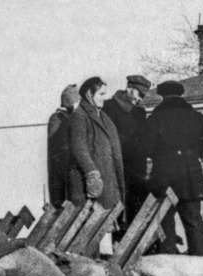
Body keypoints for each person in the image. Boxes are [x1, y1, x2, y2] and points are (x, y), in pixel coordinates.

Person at [141, 80, 203, 257]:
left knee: (166, 221)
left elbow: (145, 148)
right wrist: (196, 153)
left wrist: (161, 154)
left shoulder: (156, 118)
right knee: (194, 220)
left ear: (162, 96)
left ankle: (169, 261)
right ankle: (202, 262)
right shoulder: (195, 116)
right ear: (181, 95)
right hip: (190, 175)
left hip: (164, 175)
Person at [68, 77, 124, 213]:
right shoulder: (79, 116)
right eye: (101, 94)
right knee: (92, 227)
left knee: (104, 225)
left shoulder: (103, 116)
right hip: (92, 186)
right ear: (89, 94)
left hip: (108, 181)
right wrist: (92, 174)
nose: (104, 98)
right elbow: (79, 148)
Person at [102, 75, 152, 226]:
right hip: (118, 168)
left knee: (137, 211)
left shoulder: (140, 112)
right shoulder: (109, 107)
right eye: (139, 94)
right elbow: (110, 138)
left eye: (143, 96)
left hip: (137, 170)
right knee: (118, 212)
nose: (141, 99)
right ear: (129, 88)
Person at [46, 84, 80, 210]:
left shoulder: (65, 117)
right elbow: (57, 151)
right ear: (71, 102)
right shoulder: (58, 118)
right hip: (62, 177)